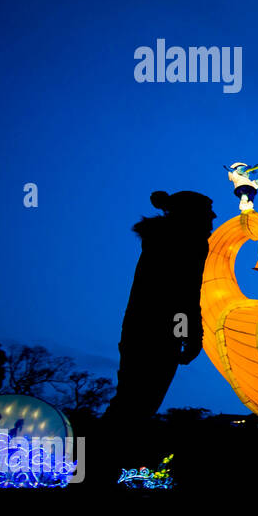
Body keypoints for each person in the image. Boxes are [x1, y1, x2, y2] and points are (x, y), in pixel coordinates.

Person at [98, 190, 215, 484]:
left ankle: (98, 468)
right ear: (192, 215)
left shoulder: (164, 239)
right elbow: (185, 293)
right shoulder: (187, 242)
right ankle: (98, 469)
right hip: (158, 333)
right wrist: (193, 335)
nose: (213, 217)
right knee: (136, 405)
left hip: (144, 330)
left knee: (132, 403)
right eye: (207, 211)